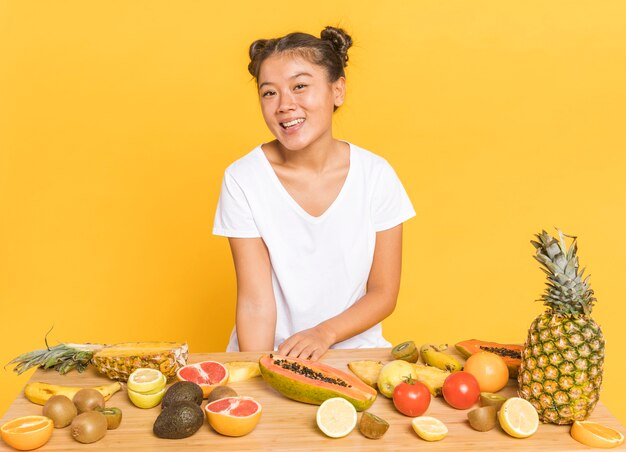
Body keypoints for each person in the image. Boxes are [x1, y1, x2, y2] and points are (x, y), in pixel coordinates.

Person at [213, 26, 415, 361]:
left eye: (300, 86)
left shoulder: (376, 175)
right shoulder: (243, 178)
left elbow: (383, 293)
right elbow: (255, 302)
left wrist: (325, 334)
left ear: (337, 90)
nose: (284, 105)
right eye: (269, 93)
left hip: (354, 355)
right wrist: (260, 370)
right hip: (269, 353)